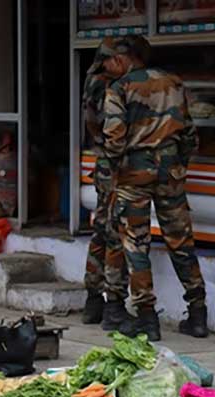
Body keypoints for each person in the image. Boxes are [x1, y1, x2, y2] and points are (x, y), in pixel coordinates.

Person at [101, 36, 208, 341]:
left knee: (135, 244)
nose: (108, 66)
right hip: (170, 172)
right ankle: (198, 313)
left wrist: (114, 170)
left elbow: (114, 139)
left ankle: (147, 318)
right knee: (181, 240)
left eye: (110, 60)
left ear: (123, 59)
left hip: (134, 175)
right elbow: (188, 132)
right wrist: (178, 164)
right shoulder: (173, 83)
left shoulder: (119, 88)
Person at [81, 37, 132, 331]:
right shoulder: (107, 85)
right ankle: (112, 303)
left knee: (101, 230)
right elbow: (111, 129)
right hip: (112, 166)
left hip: (103, 165)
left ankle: (93, 300)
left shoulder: (94, 81)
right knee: (112, 234)